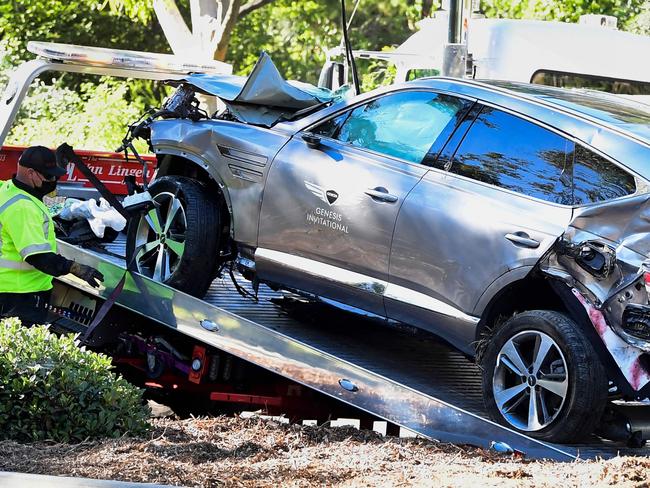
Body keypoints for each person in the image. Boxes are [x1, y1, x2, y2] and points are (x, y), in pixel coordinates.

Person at [0, 145, 104, 325]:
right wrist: (73, 268)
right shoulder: (23, 208)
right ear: (31, 173)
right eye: (49, 176)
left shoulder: (8, 189)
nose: (54, 180)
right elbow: (38, 257)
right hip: (18, 295)